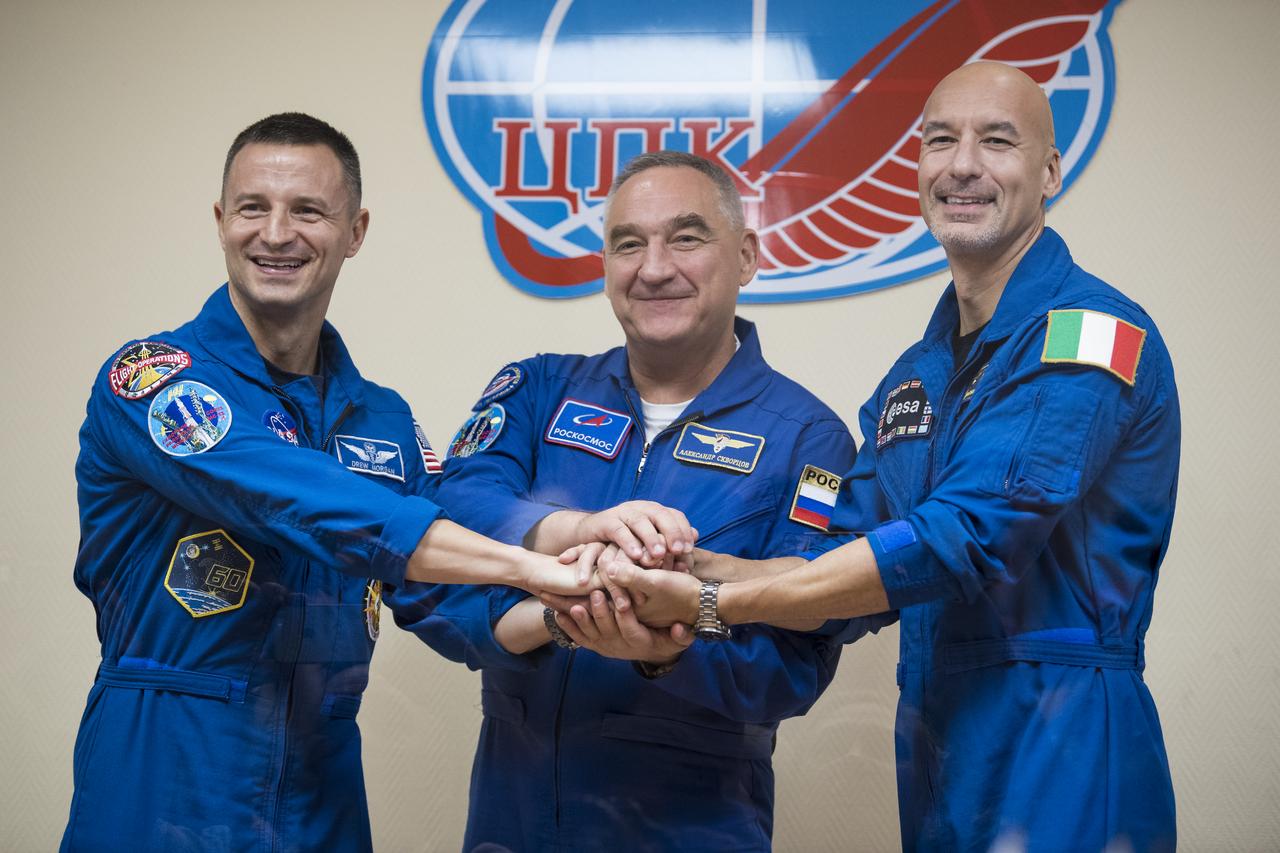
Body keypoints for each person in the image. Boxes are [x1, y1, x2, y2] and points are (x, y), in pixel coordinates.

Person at [605, 63, 1180, 851]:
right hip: (941, 746)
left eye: (997, 141)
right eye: (940, 140)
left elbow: (967, 535)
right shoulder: (916, 375)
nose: (962, 164)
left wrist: (712, 603)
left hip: (1068, 738)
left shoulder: (1088, 336)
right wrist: (692, 566)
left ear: (1049, 172)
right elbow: (844, 556)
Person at [61, 113, 587, 853]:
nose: (276, 233)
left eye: (307, 210)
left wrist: (570, 606)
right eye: (252, 207)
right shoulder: (151, 382)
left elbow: (446, 598)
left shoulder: (383, 420)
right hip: (163, 776)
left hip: (321, 792)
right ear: (221, 221)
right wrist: (532, 563)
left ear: (355, 231)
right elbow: (298, 496)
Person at [399, 151, 869, 851]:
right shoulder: (539, 390)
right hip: (513, 815)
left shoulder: (809, 439)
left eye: (686, 237)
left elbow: (797, 660)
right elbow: (446, 531)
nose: (653, 268)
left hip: (692, 825)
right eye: (627, 243)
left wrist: (665, 652)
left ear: (745, 256)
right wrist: (569, 542)